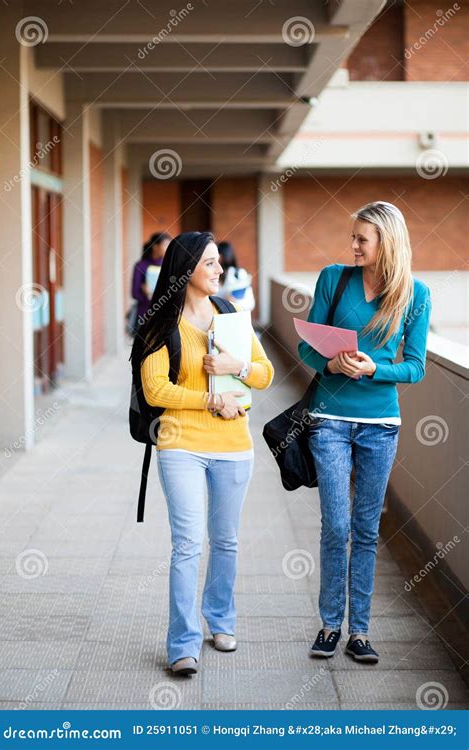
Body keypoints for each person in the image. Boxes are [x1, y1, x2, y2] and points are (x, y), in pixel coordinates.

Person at [130, 231, 274, 675]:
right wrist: (211, 400)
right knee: (188, 545)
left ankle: (221, 620)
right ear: (186, 268)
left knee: (226, 541)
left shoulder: (231, 315)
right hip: (181, 444)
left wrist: (237, 368)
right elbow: (156, 388)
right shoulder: (160, 323)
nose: (219, 270)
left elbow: (265, 374)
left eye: (219, 263)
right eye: (210, 263)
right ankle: (182, 643)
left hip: (234, 446)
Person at [298, 201, 431, 664]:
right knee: (336, 525)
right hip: (330, 419)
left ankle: (359, 632)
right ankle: (330, 624)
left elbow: (415, 367)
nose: (353, 245)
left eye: (362, 239)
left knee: (366, 529)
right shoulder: (333, 279)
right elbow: (305, 347)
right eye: (353, 237)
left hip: (380, 426)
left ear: (386, 243)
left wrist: (375, 368)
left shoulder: (415, 294)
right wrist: (330, 362)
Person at [130, 232, 171, 332]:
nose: (168, 248)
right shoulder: (141, 266)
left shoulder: (169, 265)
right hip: (145, 314)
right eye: (165, 244)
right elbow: (135, 294)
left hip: (166, 314)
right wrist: (147, 294)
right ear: (155, 247)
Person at [216, 240, 255, 312]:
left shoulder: (239, 274)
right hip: (216, 319)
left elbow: (250, 304)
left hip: (234, 318)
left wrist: (233, 302)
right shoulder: (212, 276)